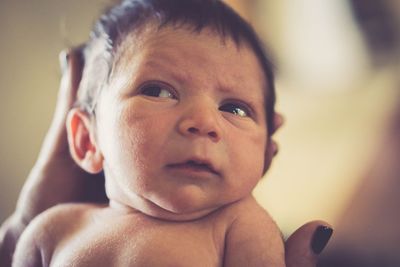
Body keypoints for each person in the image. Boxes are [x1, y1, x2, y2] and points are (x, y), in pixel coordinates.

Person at [1, 0, 332, 266]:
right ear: (88, 139)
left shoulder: (240, 227)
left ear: (264, 152)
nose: (204, 122)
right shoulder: (53, 230)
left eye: (235, 109)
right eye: (159, 91)